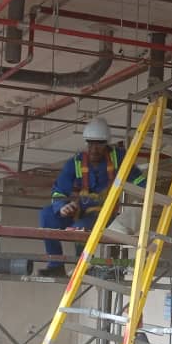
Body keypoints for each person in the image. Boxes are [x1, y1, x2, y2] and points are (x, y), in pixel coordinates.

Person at [37, 117, 145, 277]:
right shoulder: (76, 163)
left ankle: (83, 266)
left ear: (106, 143)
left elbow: (137, 179)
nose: (94, 149)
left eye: (99, 144)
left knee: (80, 229)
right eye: (91, 144)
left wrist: (149, 194)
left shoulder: (119, 158)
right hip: (79, 210)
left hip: (104, 213)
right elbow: (58, 190)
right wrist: (62, 207)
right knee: (47, 215)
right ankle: (56, 264)